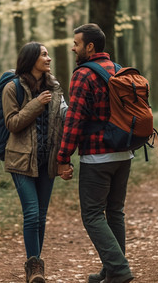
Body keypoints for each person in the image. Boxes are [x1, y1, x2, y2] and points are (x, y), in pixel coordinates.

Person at [57, 24, 134, 283]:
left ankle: (119, 269)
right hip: (124, 153)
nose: (72, 47)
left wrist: (63, 158)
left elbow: (74, 121)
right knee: (115, 212)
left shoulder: (83, 75)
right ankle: (111, 270)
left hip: (97, 157)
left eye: (76, 43)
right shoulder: (120, 70)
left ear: (90, 47)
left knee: (92, 215)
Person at [2, 41, 69, 283]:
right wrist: (36, 104)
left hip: (46, 161)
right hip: (20, 162)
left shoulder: (56, 87)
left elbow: (63, 122)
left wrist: (64, 159)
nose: (49, 58)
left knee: (41, 215)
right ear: (31, 60)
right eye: (44, 55)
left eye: (49, 54)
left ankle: (36, 267)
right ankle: (34, 267)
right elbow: (12, 123)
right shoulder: (12, 88)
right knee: (31, 213)